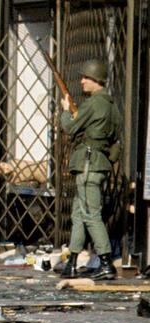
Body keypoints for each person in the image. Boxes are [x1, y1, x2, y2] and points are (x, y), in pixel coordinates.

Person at [58, 60, 121, 281]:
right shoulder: (111, 104)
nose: (82, 81)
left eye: (86, 78)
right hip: (98, 164)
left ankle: (105, 261)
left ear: (97, 81)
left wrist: (66, 111)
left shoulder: (94, 103)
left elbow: (70, 127)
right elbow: (114, 140)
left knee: (91, 215)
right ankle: (72, 262)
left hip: (88, 165)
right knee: (79, 214)